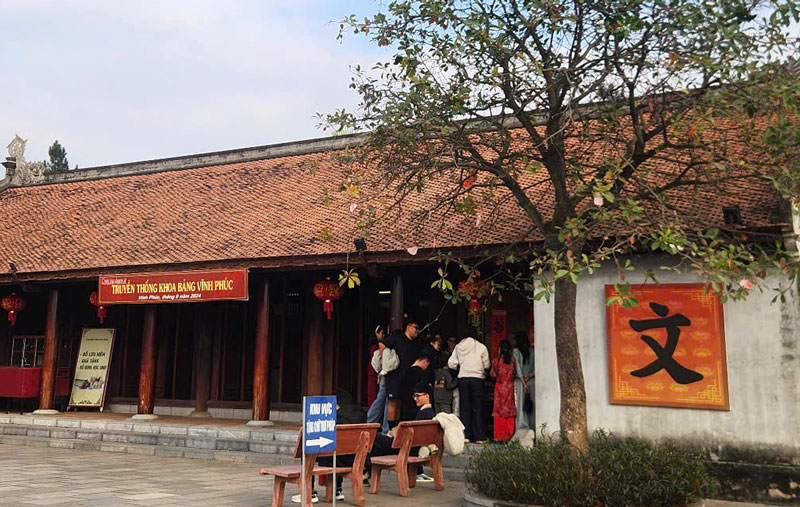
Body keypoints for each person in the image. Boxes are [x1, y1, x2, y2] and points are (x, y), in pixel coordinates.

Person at [292, 389, 366, 504]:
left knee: (308, 450)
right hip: (355, 459)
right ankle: (337, 490)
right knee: (336, 451)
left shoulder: (334, 417)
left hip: (336, 459)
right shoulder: (362, 414)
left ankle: (310, 492)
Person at [370, 381, 436, 483]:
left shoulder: (424, 415)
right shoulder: (429, 414)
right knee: (377, 441)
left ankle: (367, 472)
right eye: (414, 396)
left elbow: (413, 435)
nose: (415, 399)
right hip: (410, 447)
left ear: (427, 396)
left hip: (406, 448)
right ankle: (367, 471)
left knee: (375, 439)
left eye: (418, 396)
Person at [448, 332, 490, 443]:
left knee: (465, 407)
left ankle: (466, 436)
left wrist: (460, 368)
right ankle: (479, 437)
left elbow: (451, 363)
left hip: (463, 378)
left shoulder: (458, 347)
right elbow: (487, 365)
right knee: (478, 407)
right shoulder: (481, 346)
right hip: (478, 379)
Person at [382, 319, 421, 429]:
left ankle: (397, 427)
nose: (417, 331)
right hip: (394, 374)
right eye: (415, 328)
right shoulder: (397, 337)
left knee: (400, 402)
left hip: (406, 377)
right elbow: (382, 345)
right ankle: (389, 428)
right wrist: (385, 363)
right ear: (408, 326)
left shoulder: (414, 343)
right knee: (392, 401)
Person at [367, 324, 397, 434]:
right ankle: (381, 426)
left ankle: (373, 423)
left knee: (383, 400)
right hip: (387, 377)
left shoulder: (384, 348)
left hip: (386, 376)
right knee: (384, 400)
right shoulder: (381, 347)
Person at [490, 340, 517, 442]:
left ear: (500, 349)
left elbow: (493, 374)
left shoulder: (496, 361)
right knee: (509, 410)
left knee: (499, 411)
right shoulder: (513, 361)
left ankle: (499, 436)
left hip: (500, 387)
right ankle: (509, 435)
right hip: (510, 387)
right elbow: (515, 373)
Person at [512, 330, 535, 431]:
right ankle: (532, 425)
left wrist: (523, 382)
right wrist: (529, 376)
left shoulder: (515, 351)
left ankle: (522, 426)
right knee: (531, 403)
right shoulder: (532, 351)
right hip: (531, 381)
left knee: (520, 405)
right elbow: (536, 368)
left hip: (520, 383)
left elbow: (517, 368)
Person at [399, 352, 431, 421]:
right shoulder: (421, 374)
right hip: (416, 405)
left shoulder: (405, 372)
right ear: (424, 361)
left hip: (405, 404)